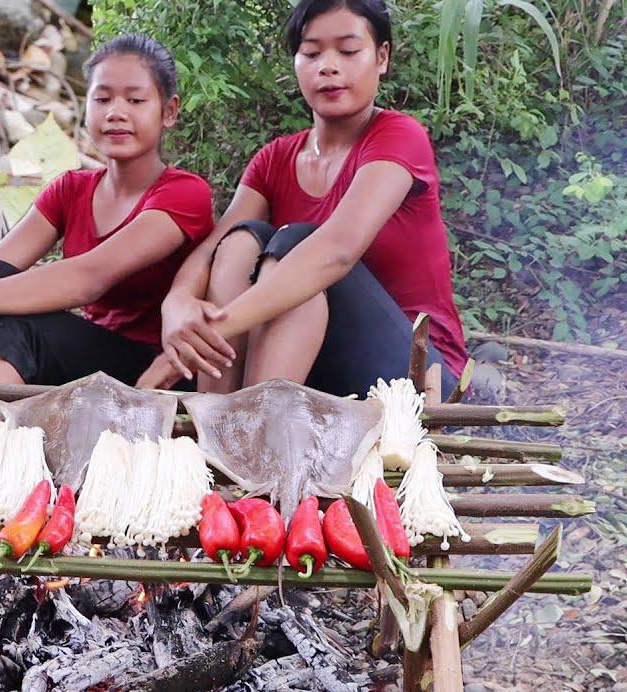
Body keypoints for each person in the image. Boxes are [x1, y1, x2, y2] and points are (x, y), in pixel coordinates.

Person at [138, 0, 468, 399]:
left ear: (382, 57)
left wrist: (206, 334)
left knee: (297, 245)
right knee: (242, 241)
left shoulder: (399, 137)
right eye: (311, 53)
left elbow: (337, 250)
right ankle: (217, 415)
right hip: (322, 376)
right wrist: (177, 303)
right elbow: (213, 250)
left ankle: (253, 424)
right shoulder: (274, 159)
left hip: (419, 379)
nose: (328, 66)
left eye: (348, 51)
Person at [0, 33, 215, 387]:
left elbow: (88, 279)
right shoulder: (71, 189)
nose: (116, 113)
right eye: (102, 99)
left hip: (160, 369)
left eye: (135, 100)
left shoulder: (185, 194)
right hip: (88, 354)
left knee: (19, 328)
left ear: (169, 111)